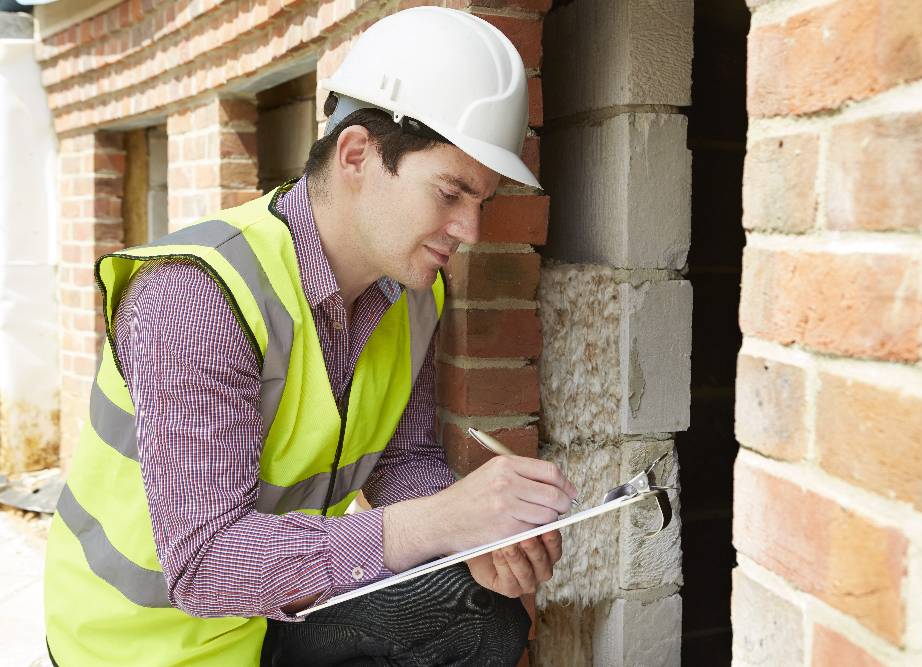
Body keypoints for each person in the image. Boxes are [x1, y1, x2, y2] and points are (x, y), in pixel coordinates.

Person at [43, 7, 577, 666]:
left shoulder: (412, 296)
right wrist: (437, 522)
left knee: (477, 608)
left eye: (481, 202)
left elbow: (401, 461)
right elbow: (207, 565)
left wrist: (475, 539)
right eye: (450, 193)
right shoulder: (198, 297)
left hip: (269, 618)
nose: (469, 229)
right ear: (356, 153)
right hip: (133, 647)